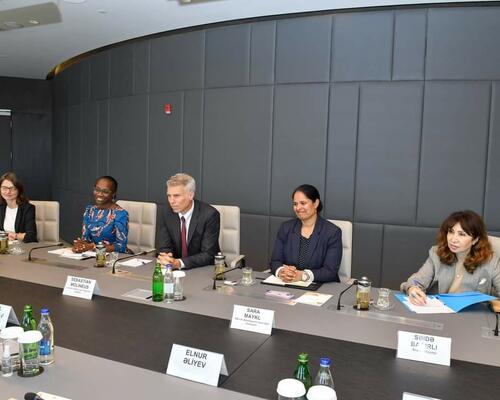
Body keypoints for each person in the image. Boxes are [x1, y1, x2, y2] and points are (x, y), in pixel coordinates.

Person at [401, 210, 500, 305]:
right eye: (451, 232)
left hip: (472, 314)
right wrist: (412, 288)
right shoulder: (437, 253)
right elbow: (416, 280)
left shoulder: (491, 261)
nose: (453, 239)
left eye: (462, 234)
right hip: (439, 312)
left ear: (475, 240)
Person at [270, 184, 342, 283]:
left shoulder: (332, 232)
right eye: (295, 204)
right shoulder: (286, 228)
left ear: (316, 203)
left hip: (321, 286)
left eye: (303, 203)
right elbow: (275, 261)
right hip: (288, 284)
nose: (298, 208)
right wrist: (282, 271)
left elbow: (330, 271)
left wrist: (303, 276)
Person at [157, 173, 220, 269]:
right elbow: (164, 246)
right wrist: (167, 258)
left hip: (205, 269)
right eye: (169, 196)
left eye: (176, 196)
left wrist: (179, 263)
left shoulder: (209, 215)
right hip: (175, 270)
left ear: (190, 195)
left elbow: (208, 254)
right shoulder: (166, 212)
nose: (171, 201)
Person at [73, 176, 129, 253]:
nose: (100, 194)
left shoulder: (120, 214)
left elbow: (121, 247)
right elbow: (86, 240)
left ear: (113, 193)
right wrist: (80, 244)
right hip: (92, 256)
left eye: (105, 191)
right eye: (97, 190)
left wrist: (94, 247)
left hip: (114, 257)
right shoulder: (90, 211)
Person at [0, 172, 37, 242]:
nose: (8, 192)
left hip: (23, 246)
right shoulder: (1, 207)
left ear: (18, 190)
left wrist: (14, 236)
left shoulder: (28, 209)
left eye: (12, 188)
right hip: (4, 245)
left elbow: (31, 236)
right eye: (4, 188)